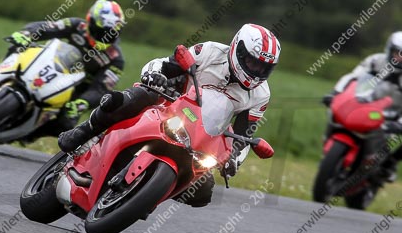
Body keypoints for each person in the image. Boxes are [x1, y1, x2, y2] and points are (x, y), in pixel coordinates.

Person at [58, 24, 281, 207]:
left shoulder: (261, 95)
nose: (257, 71)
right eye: (253, 63)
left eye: (264, 68)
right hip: (169, 101)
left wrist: (232, 161)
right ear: (238, 50)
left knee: (203, 192)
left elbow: (243, 137)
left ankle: (146, 196)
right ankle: (84, 131)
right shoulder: (210, 51)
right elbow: (163, 65)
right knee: (133, 97)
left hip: (200, 137)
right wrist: (156, 76)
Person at [3, 0, 126, 141]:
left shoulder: (116, 59)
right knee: (19, 45)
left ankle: (28, 135)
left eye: (111, 33)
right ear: (90, 20)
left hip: (73, 91)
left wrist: (82, 102)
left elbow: (102, 88)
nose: (104, 37)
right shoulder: (76, 25)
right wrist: (27, 33)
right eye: (100, 31)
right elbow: (47, 27)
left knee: (67, 122)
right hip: (50, 66)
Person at [331, 31, 402, 182]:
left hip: (399, 115)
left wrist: (400, 124)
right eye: (397, 52)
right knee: (338, 115)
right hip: (370, 107)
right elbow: (353, 77)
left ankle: (390, 163)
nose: (400, 58)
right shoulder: (375, 60)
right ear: (390, 50)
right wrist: (336, 92)